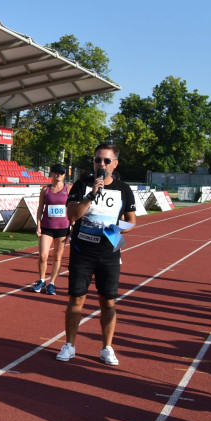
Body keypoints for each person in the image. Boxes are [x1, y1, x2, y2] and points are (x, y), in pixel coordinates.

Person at [56, 143, 137, 366]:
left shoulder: (123, 189)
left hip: (110, 251)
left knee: (108, 302)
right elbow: (72, 215)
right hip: (82, 251)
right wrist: (91, 195)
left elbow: (132, 221)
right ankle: (70, 345)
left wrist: (115, 228)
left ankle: (107, 348)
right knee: (76, 299)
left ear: (115, 164)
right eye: (97, 160)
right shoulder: (81, 185)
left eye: (106, 161)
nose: (101, 165)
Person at [31, 163, 71, 295]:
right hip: (47, 226)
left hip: (63, 228)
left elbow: (73, 208)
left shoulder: (68, 189)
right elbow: (40, 209)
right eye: (56, 172)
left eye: (61, 173)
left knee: (57, 257)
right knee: (43, 256)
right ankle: (42, 280)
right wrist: (38, 226)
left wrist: (73, 224)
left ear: (64, 175)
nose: (58, 175)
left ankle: (52, 283)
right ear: (51, 174)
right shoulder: (45, 190)